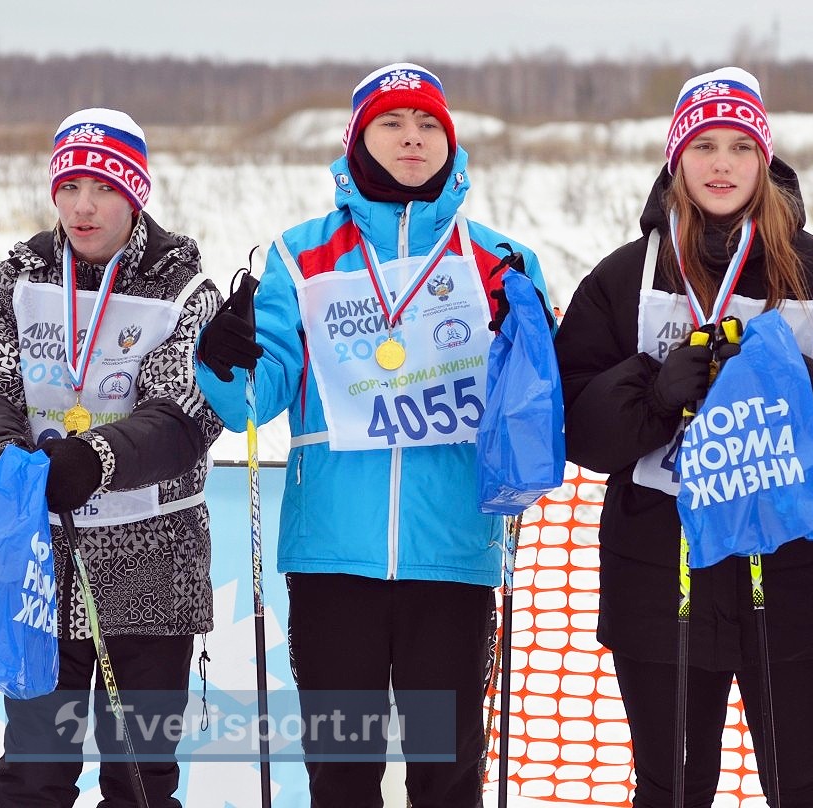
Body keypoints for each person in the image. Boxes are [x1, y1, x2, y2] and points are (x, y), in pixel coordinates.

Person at [192, 62, 553, 808]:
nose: (413, 138)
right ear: (358, 140)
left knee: (446, 772)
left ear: (451, 145)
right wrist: (224, 360)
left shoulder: (500, 257)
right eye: (392, 123)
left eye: (429, 126)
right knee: (343, 770)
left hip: (453, 551)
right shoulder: (301, 254)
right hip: (333, 558)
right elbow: (253, 405)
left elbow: (535, 401)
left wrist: (533, 344)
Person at [554, 67, 813, 808]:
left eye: (740, 147)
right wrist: (653, 391)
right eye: (704, 146)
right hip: (662, 569)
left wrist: (790, 380)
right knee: (673, 785)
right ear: (675, 161)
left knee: (806, 783)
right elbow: (572, 422)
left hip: (793, 568)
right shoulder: (627, 276)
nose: (722, 165)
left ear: (765, 161)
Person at [0, 108, 222, 806]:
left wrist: (94, 459)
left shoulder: (182, 288)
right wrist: (9, 450)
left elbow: (186, 415)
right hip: (43, 561)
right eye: (69, 187)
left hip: (153, 563)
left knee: (139, 776)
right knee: (33, 773)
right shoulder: (17, 279)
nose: (83, 206)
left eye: (103, 188)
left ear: (135, 194)